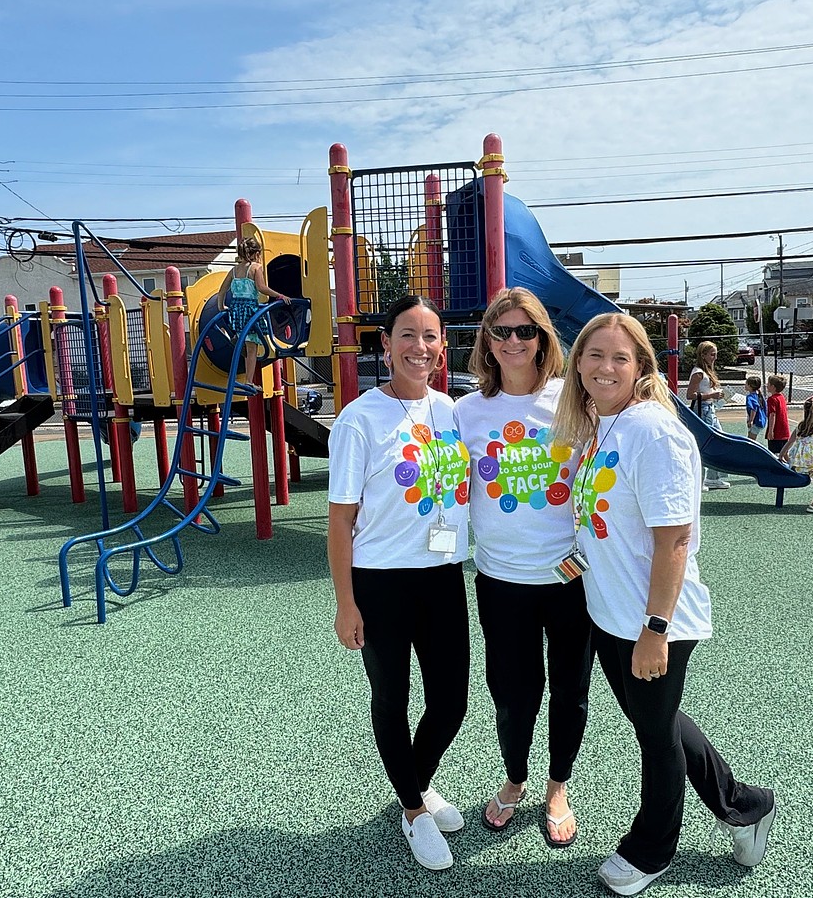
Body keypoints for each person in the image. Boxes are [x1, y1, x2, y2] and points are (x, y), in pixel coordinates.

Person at [554, 313, 777, 895]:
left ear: (641, 368)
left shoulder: (654, 431)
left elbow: (673, 537)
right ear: (577, 364)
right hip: (610, 613)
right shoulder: (604, 427)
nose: (606, 367)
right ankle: (745, 804)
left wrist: (656, 627)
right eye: (595, 355)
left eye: (620, 358)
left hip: (652, 621)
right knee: (658, 722)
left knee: (654, 736)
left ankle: (652, 851)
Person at [328, 295, 472, 871]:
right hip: (381, 581)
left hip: (442, 576)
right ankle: (413, 809)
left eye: (430, 336)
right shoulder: (359, 419)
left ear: (442, 347)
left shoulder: (451, 410)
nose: (420, 347)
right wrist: (345, 603)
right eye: (407, 335)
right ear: (384, 345)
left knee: (452, 702)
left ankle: (413, 782)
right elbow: (340, 520)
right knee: (392, 698)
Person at [453, 287, 589, 849]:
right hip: (500, 578)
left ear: (542, 340)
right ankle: (515, 778)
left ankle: (558, 785)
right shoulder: (465, 411)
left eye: (524, 331)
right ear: (487, 339)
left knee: (570, 689)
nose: (512, 341)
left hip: (570, 578)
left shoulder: (572, 402)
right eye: (501, 331)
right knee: (510, 690)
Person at [213, 236, 292, 386]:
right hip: (250, 309)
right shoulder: (256, 268)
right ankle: (249, 380)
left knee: (244, 341)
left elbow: (222, 289)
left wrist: (220, 306)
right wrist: (280, 296)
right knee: (252, 348)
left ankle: (240, 374)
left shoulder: (234, 270)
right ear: (256, 254)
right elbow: (261, 288)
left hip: (236, 310)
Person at [686, 341, 729, 490]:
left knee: (718, 441)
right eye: (712, 354)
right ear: (703, 355)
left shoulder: (706, 372)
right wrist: (711, 394)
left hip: (709, 408)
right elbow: (690, 395)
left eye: (715, 354)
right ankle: (702, 479)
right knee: (706, 444)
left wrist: (716, 395)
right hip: (703, 410)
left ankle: (713, 477)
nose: (714, 357)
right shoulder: (698, 373)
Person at [765, 374, 791, 456]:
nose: (766, 385)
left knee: (774, 454)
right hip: (784, 431)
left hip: (777, 432)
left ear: (773, 387)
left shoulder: (772, 399)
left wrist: (770, 431)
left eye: (768, 384)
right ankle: (791, 467)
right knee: (784, 452)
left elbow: (772, 415)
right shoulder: (782, 397)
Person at [743, 374, 767, 442]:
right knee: (750, 438)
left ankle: (751, 452)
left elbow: (754, 409)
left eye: (746, 384)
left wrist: (751, 420)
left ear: (750, 386)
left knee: (751, 441)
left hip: (756, 422)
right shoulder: (759, 396)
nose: (745, 385)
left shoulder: (750, 397)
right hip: (761, 421)